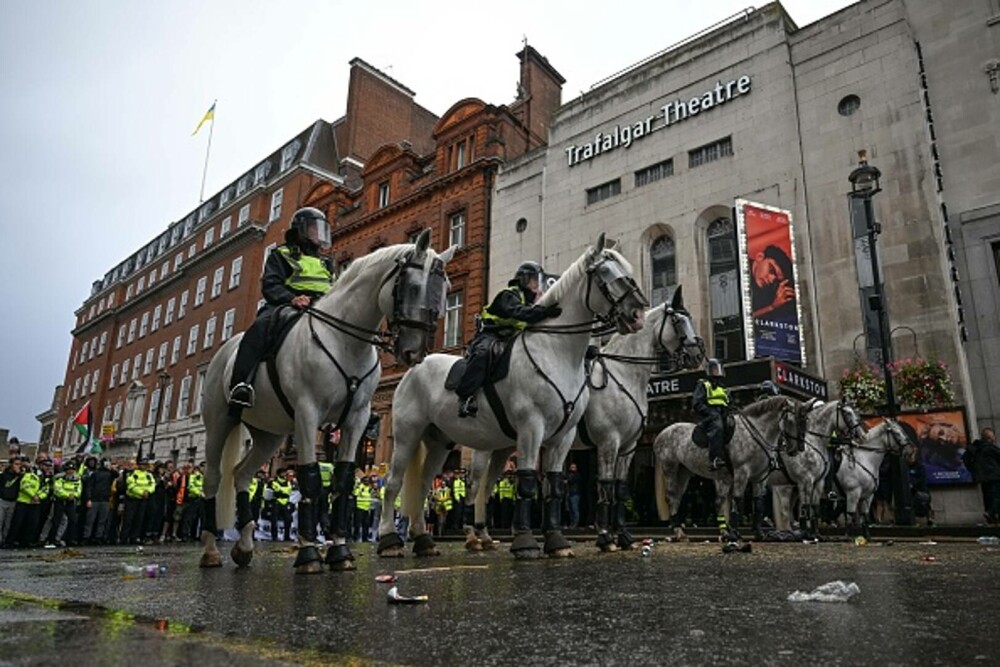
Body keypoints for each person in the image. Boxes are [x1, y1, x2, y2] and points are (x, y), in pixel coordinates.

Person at [229, 207, 334, 409]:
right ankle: (241, 384)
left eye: (321, 229)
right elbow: (271, 284)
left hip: (321, 307)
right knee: (260, 327)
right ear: (301, 230)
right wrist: (292, 298)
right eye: (314, 228)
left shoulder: (326, 262)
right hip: (287, 304)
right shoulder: (282, 254)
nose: (319, 234)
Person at [455, 261, 561, 417]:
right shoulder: (509, 294)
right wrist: (545, 312)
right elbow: (520, 313)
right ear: (523, 280)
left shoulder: (532, 302)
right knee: (483, 353)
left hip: (511, 336)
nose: (536, 283)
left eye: (537, 279)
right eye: (533, 279)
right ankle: (465, 397)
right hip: (491, 334)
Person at [693, 358, 730, 471]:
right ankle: (714, 459)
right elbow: (697, 403)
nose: (717, 372)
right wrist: (710, 412)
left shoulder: (723, 387)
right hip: (710, 414)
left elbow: (729, 402)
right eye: (714, 369)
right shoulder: (703, 384)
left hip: (723, 412)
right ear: (709, 371)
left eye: (718, 369)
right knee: (717, 427)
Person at [965, 427, 1000, 524]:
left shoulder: (975, 448)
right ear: (990, 437)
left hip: (982, 477)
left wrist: (973, 470)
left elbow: (966, 459)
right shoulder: (991, 448)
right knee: (997, 496)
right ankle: (991, 512)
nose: (994, 438)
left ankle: (991, 518)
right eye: (993, 436)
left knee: (988, 497)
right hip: (995, 476)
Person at [750, 244, 795, 319]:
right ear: (759, 257)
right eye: (771, 270)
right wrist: (771, 307)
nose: (771, 280)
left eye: (776, 281)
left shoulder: (768, 295)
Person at [0, 457, 23, 546]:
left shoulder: (20, 476)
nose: (18, 466)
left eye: (19, 464)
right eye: (16, 464)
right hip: (2, 500)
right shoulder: (3, 475)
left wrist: (20, 473)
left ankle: (6, 540)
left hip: (13, 501)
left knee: (8, 523)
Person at [565, 462, 582, 529]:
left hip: (575, 493)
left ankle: (575, 523)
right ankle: (571, 523)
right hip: (569, 492)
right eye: (571, 467)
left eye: (574, 467)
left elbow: (573, 481)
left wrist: (568, 481)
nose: (572, 469)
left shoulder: (577, 475)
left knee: (574, 508)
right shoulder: (568, 474)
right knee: (569, 509)